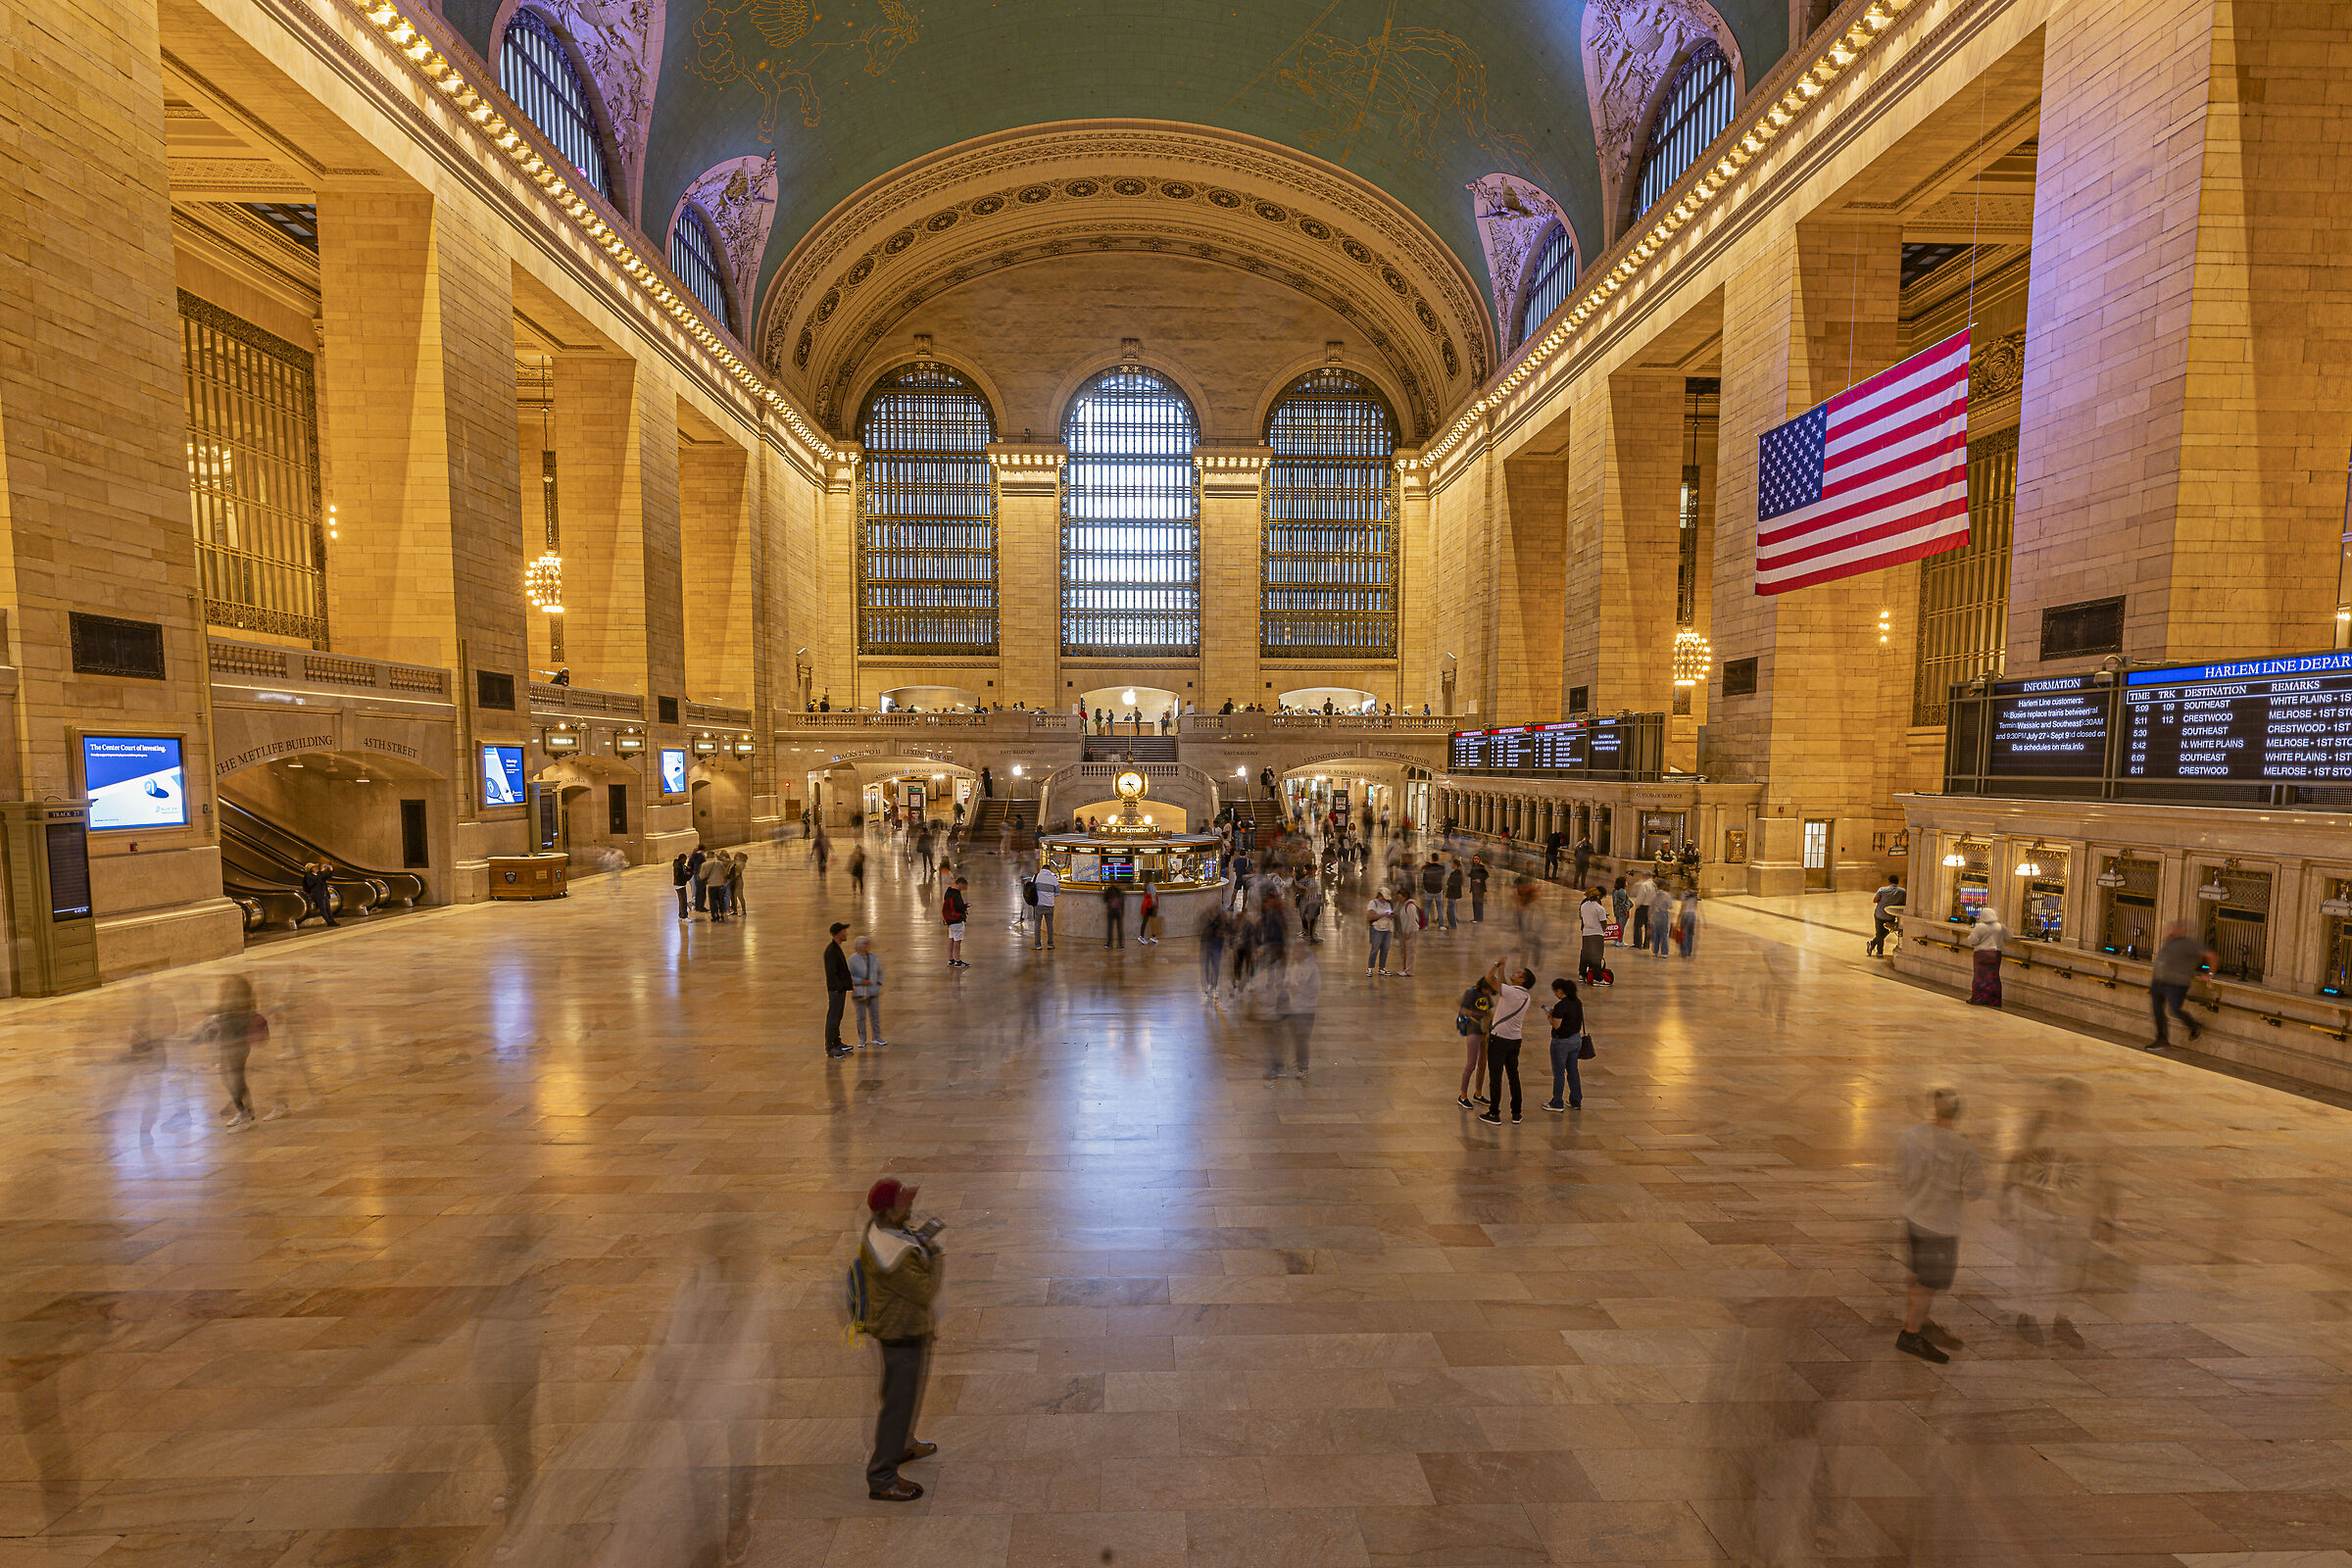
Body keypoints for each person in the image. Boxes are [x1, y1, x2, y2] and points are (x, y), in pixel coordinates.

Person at [2003, 1078, 2113, 1347]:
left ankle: (2063, 1318)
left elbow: (2106, 1179)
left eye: (2076, 1100)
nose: (2069, 1105)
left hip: (2076, 1212)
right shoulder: (2038, 1128)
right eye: (2065, 1099)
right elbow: (2018, 1159)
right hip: (2036, 1208)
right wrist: (2007, 1191)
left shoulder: (2094, 1138)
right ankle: (2026, 1314)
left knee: (2073, 1269)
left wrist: (2106, 1218)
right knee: (2030, 1263)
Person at [858, 1177, 942, 1502]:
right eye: (904, 1203)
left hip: (906, 1326)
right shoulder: (890, 1254)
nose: (910, 1206)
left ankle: (904, 1445)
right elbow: (923, 1290)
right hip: (900, 1332)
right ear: (888, 1211)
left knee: (905, 1396)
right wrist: (936, 1255)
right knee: (898, 1403)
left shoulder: (886, 1229)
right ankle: (882, 1477)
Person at [1894, 1088, 1984, 1363]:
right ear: (1959, 1113)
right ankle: (1911, 1334)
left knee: (1916, 1274)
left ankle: (1919, 1319)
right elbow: (1974, 1191)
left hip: (1914, 1217)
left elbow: (1900, 1176)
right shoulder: (1964, 1147)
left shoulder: (1913, 1135)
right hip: (1940, 1226)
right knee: (1928, 1283)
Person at [205, 974, 267, 1131]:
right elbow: (221, 1014)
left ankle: (246, 1114)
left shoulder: (240, 1008)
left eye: (228, 985)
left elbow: (233, 1021)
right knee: (228, 1079)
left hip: (237, 1046)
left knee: (236, 1081)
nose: (223, 987)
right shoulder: (230, 1006)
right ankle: (243, 1111)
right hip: (227, 1045)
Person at [1479, 965, 1533, 1124]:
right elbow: (1504, 984)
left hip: (1499, 1039)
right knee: (1513, 1075)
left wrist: (1496, 965)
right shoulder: (1525, 997)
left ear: (1521, 980)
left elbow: (1489, 979)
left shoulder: (1510, 992)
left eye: (1519, 973)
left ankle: (1494, 1113)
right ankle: (1516, 1113)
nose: (1516, 972)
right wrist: (1502, 969)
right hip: (1515, 1040)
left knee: (1495, 1077)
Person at [2147, 922, 2214, 1050]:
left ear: (2181, 930)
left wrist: (2210, 973)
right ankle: (2162, 1039)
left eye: (2172, 928)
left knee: (2174, 1009)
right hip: (2159, 982)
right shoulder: (2168, 943)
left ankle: (2194, 1026)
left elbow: (2211, 955)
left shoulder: (2188, 943)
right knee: (2157, 1011)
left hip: (2176, 984)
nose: (2168, 931)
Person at [1454, 968, 1495, 1108]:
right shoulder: (1471, 993)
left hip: (1485, 1032)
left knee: (1482, 1064)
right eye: (1489, 989)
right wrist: (1477, 1015)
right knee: (1471, 1064)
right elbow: (1462, 1009)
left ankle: (1478, 1093)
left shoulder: (1486, 995)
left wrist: (1489, 1020)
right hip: (1473, 1031)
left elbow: (1489, 1011)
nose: (1489, 993)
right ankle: (1462, 1096)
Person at [1544, 978, 1584, 1111]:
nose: (1555, 994)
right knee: (1573, 1070)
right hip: (1576, 1039)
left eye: (1555, 991)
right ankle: (1576, 1101)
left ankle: (1557, 1102)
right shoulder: (1577, 1002)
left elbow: (1556, 1025)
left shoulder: (1561, 1005)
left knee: (1559, 1073)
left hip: (1561, 1042)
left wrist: (1549, 1015)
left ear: (1560, 990)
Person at [1967, 906, 2009, 1006]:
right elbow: (2007, 938)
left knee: (1980, 977)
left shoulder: (1980, 927)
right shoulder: (2000, 926)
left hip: (1981, 955)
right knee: (1994, 978)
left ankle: (1978, 999)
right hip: (1995, 954)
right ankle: (1994, 1001)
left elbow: (1973, 941)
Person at [823, 923, 855, 1057]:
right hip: (836, 990)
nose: (846, 933)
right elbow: (832, 973)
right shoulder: (831, 951)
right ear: (838, 933)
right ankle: (830, 1046)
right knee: (833, 1018)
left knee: (837, 1017)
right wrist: (840, 986)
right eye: (844, 931)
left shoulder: (835, 948)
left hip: (839, 989)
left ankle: (837, 1042)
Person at [849, 935, 886, 1048]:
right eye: (865, 943)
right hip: (860, 992)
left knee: (875, 1015)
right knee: (861, 1016)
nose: (868, 945)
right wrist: (861, 981)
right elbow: (849, 976)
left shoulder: (873, 957)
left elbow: (879, 971)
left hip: (873, 991)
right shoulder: (852, 960)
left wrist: (879, 982)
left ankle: (876, 1036)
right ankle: (862, 1038)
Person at [1868, 872, 1907, 956]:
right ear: (1898, 882)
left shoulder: (1882, 889)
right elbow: (1905, 903)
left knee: (1879, 933)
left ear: (1889, 881)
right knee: (1886, 931)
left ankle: (1877, 949)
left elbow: (1875, 900)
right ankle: (1878, 949)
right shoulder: (1903, 891)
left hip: (1880, 914)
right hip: (1891, 915)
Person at [1578, 888, 1610, 984]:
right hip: (1596, 934)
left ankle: (1582, 974)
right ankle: (1598, 978)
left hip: (1586, 933)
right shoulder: (1599, 908)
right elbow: (1603, 923)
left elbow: (1581, 917)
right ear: (1598, 896)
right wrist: (1603, 929)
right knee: (1597, 956)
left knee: (1585, 954)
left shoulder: (1583, 906)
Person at [1365, 887, 1395, 976]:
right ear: (1379, 895)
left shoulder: (1388, 904)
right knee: (1375, 949)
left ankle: (1382, 968)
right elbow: (1370, 916)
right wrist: (1383, 914)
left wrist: (1391, 915)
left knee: (1385, 949)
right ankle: (1370, 968)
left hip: (1387, 929)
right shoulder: (1373, 903)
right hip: (1376, 929)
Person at [1393, 888, 1422, 977]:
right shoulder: (1400, 905)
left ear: (1405, 897)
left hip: (1411, 931)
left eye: (1400, 897)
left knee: (1410, 952)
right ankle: (1405, 968)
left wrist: (1408, 931)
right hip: (1402, 931)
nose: (1399, 899)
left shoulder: (1410, 905)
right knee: (1404, 951)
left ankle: (1409, 971)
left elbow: (1412, 920)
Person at [301, 861, 338, 929]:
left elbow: (328, 877)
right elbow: (315, 881)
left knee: (328, 908)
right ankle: (328, 921)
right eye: (314, 867)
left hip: (324, 893)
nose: (316, 868)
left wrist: (331, 871)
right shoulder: (309, 876)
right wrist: (321, 872)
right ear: (311, 869)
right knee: (323, 908)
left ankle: (332, 920)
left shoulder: (319, 874)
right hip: (317, 894)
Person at [943, 877, 968, 968]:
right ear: (960, 884)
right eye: (964, 886)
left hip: (950, 920)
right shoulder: (956, 894)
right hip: (957, 920)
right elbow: (958, 907)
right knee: (957, 941)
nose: (964, 888)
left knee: (951, 939)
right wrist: (964, 907)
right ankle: (958, 961)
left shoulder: (948, 892)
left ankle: (950, 959)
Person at [1629, 871, 1657, 954]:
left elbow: (1641, 896)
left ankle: (1637, 943)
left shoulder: (1644, 885)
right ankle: (1646, 944)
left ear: (1645, 876)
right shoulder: (1654, 886)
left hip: (1643, 907)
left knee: (1638, 925)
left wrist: (1637, 904)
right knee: (1648, 926)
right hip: (1651, 907)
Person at [1032, 860, 1058, 950]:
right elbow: (1057, 892)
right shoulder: (1054, 878)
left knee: (1037, 924)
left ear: (1042, 869)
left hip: (1038, 904)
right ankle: (1050, 944)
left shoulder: (1036, 877)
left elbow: (1032, 889)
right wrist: (1050, 895)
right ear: (1049, 870)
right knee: (1049, 924)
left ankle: (1037, 945)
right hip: (1049, 905)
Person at [703, 850, 734, 922]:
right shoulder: (719, 863)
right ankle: (723, 914)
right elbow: (724, 872)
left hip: (711, 885)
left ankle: (715, 915)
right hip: (720, 884)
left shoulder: (705, 864)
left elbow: (702, 876)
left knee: (713, 901)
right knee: (721, 900)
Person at [1675, 887, 1699, 957]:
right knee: (1690, 934)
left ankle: (1683, 951)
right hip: (1692, 915)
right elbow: (1695, 906)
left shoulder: (1684, 894)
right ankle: (1689, 951)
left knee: (1684, 934)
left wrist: (1678, 918)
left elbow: (1682, 907)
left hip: (1685, 914)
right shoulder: (1695, 894)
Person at [1102, 879, 1125, 948]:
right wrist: (1122, 911)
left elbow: (1104, 899)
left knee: (1110, 928)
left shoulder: (1109, 889)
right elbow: (1122, 901)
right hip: (1118, 911)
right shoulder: (1119, 890)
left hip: (1111, 911)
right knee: (1119, 928)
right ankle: (1120, 945)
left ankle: (1109, 944)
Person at [1139, 879, 1161, 945]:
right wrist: (1155, 904)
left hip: (1146, 904)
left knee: (1146, 920)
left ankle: (1143, 936)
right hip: (1150, 905)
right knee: (1153, 921)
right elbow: (1153, 895)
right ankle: (1151, 936)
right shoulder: (1151, 884)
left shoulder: (1145, 884)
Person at [1609, 875, 1631, 944]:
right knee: (1621, 927)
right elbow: (1622, 903)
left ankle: (1615, 939)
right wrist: (1626, 911)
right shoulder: (1622, 891)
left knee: (1617, 926)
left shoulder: (1615, 891)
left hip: (1616, 910)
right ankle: (1620, 941)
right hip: (1622, 911)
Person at [686, 846, 708, 913]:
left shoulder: (692, 856)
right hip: (700, 875)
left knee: (696, 892)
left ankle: (697, 906)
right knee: (701, 892)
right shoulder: (701, 856)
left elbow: (689, 866)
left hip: (694, 875)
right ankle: (699, 906)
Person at [671, 853, 693, 920]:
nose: (685, 861)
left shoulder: (680, 864)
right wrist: (687, 875)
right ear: (681, 859)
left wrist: (687, 870)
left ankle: (681, 915)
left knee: (682, 900)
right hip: (680, 885)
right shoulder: (678, 867)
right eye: (685, 860)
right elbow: (680, 877)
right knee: (683, 901)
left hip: (680, 885)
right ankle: (684, 916)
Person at [1468, 856, 1489, 923]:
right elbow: (1472, 875)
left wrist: (1480, 879)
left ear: (1479, 860)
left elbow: (1486, 875)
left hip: (1480, 888)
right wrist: (1469, 874)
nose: (1476, 860)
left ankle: (1479, 919)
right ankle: (1476, 918)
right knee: (1474, 903)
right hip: (1474, 887)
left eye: (1477, 859)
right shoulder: (1473, 867)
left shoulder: (1481, 867)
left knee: (1479, 903)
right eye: (1474, 859)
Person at [1444, 858, 1463, 930]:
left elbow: (1450, 883)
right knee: (1451, 909)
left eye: (1452, 863)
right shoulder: (1458, 872)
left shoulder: (1455, 873)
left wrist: (1448, 882)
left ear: (1455, 864)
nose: (1451, 865)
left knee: (1450, 911)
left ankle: (1453, 925)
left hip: (1452, 893)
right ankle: (1452, 924)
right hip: (1453, 893)